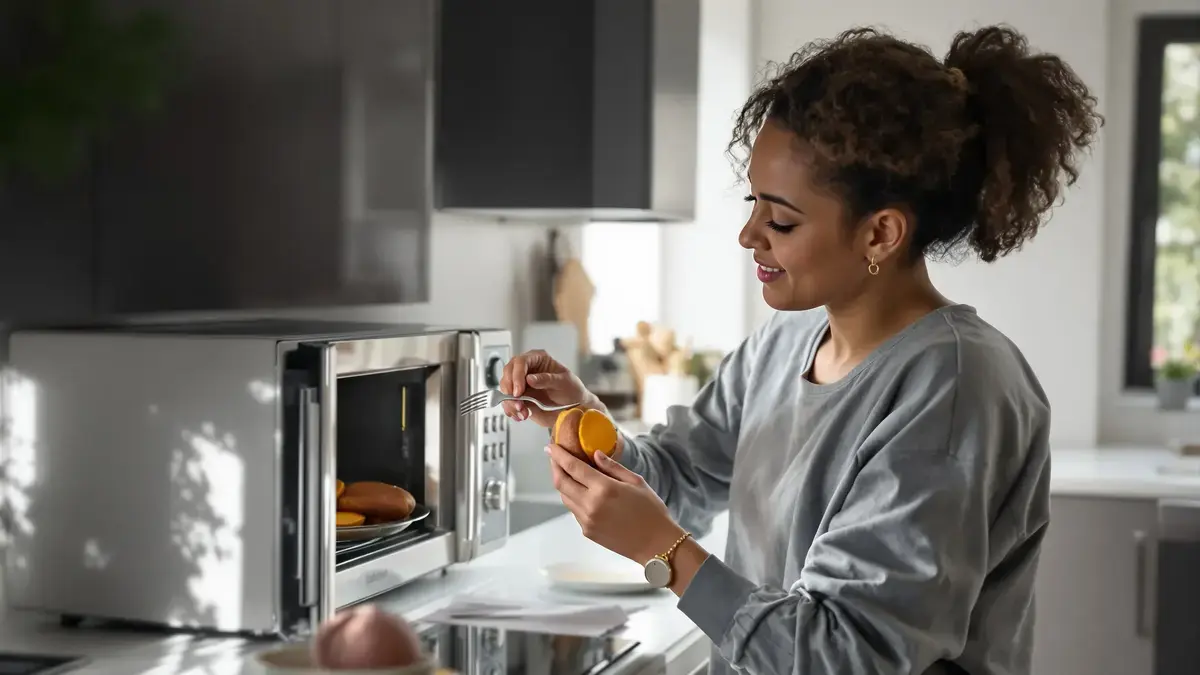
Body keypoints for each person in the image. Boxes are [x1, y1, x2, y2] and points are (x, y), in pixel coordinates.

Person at [500, 25, 1100, 675]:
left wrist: (665, 551)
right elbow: (679, 475)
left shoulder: (956, 387)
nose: (747, 234)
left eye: (781, 219)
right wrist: (580, 420)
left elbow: (844, 655)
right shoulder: (782, 345)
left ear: (881, 233)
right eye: (753, 202)